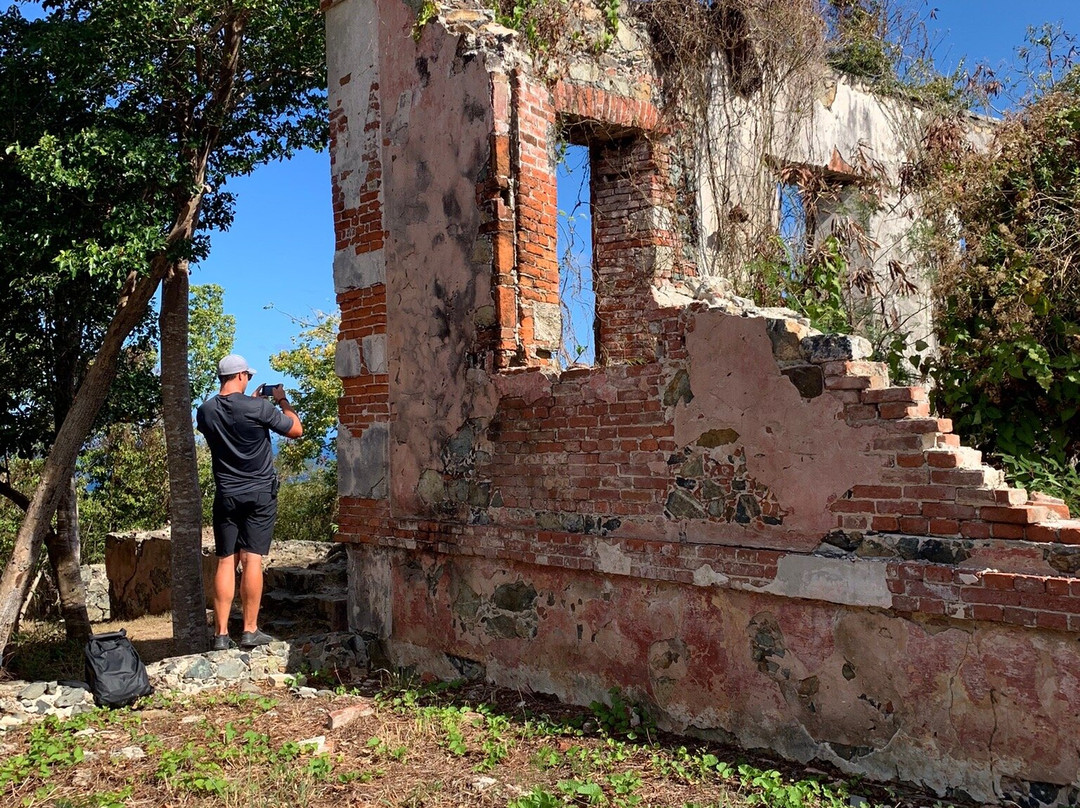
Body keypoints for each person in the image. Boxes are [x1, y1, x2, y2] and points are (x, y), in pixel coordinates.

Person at [196, 354, 303, 650]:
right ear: (241, 375)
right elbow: (295, 429)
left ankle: (220, 635)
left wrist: (251, 405)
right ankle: (250, 630)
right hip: (259, 494)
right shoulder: (261, 407)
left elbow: (230, 419)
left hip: (226, 494)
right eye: (249, 376)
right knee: (252, 559)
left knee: (226, 560)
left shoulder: (204, 412)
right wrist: (281, 401)